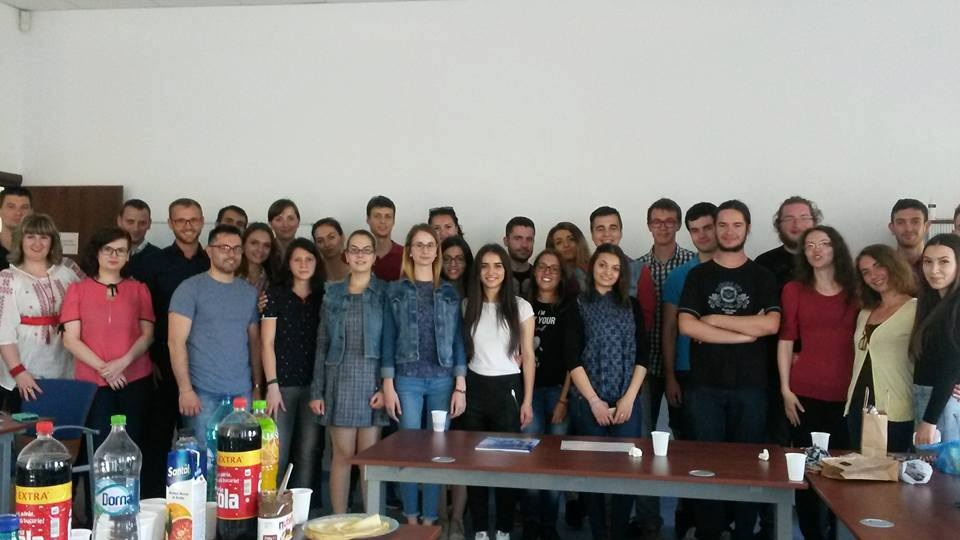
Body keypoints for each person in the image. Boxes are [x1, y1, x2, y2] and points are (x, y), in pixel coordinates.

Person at [678, 200, 781, 540]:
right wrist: (744, 335)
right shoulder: (698, 275)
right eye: (722, 225)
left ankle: (743, 533)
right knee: (706, 466)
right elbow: (687, 326)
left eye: (737, 225)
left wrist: (715, 320)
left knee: (749, 465)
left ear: (748, 228)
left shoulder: (762, 276)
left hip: (751, 388)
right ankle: (709, 532)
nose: (729, 231)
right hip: (704, 388)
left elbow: (771, 324)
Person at [381, 224, 467, 526]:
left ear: (437, 251)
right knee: (409, 449)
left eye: (430, 245)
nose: (425, 250)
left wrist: (460, 383)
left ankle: (430, 520)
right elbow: (388, 338)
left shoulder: (449, 291)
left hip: (443, 381)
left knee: (436, 452)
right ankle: (411, 519)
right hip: (407, 381)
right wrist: (388, 383)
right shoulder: (395, 290)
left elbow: (458, 340)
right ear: (409, 250)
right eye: (419, 245)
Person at [778, 226, 858, 540]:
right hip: (804, 394)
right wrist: (785, 389)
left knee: (843, 473)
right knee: (809, 471)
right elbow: (786, 340)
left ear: (836, 248)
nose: (816, 250)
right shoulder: (794, 290)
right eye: (809, 245)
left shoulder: (857, 290)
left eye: (823, 244)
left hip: (847, 396)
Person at [567, 243, 649, 540]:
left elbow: (643, 356)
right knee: (593, 475)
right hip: (590, 403)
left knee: (627, 473)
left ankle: (619, 531)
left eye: (615, 268)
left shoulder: (631, 306)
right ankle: (599, 533)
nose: (608, 272)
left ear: (622, 273)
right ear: (592, 268)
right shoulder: (578, 305)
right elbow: (572, 359)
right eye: (602, 265)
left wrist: (629, 398)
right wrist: (594, 401)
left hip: (627, 402)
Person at [457, 244, 534, 540]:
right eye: (485, 266)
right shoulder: (467, 305)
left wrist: (527, 400)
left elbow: (528, 356)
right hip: (475, 389)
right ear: (477, 271)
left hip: (508, 390)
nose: (491, 272)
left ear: (506, 270)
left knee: (506, 463)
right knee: (474, 462)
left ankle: (503, 529)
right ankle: (479, 528)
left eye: (498, 265)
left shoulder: (521, 307)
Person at [310, 229, 389, 514]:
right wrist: (317, 390)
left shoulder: (385, 293)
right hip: (339, 379)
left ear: (374, 256)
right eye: (354, 250)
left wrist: (385, 386)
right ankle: (338, 521)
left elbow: (389, 343)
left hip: (372, 379)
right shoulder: (332, 293)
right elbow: (322, 343)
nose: (360, 255)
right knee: (342, 455)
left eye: (366, 250)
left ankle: (372, 521)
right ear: (346, 255)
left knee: (369, 458)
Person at [138, 198, 210, 497]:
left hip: (204, 367)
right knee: (157, 439)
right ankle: (154, 503)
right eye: (181, 220)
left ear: (202, 221)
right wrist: (148, 359)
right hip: (161, 365)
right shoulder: (152, 263)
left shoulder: (213, 261)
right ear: (170, 224)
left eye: (193, 219)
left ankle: (194, 503)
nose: (188, 225)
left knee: (198, 441)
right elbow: (140, 314)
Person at [62, 227, 154, 448]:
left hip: (134, 378)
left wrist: (122, 363)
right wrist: (106, 370)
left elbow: (147, 335)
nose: (114, 255)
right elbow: (70, 340)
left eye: (121, 251)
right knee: (98, 444)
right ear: (97, 252)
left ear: (128, 255)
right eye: (108, 249)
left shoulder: (139, 289)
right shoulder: (77, 290)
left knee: (132, 443)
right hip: (92, 382)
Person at [168, 224, 261, 440]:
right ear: (209, 251)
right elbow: (175, 342)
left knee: (241, 456)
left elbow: (254, 343)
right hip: (202, 393)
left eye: (237, 249)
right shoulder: (189, 289)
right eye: (224, 248)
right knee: (205, 456)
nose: (231, 254)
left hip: (242, 393)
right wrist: (185, 390)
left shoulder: (248, 293)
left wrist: (257, 386)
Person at [660, 201, 717, 538]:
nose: (702, 235)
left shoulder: (745, 271)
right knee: (689, 451)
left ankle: (720, 521)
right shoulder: (679, 275)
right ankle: (690, 515)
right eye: (695, 230)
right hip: (686, 372)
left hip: (732, 377)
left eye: (707, 228)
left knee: (726, 453)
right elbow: (669, 329)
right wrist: (670, 375)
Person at [0, 213, 84, 411]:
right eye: (31, 236)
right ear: (20, 240)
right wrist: (18, 371)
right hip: (24, 369)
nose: (37, 243)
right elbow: (3, 331)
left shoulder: (68, 270)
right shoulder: (9, 278)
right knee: (26, 425)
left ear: (52, 241)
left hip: (65, 365)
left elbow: (92, 301)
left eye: (44, 237)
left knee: (63, 423)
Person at [261, 238, 325, 488]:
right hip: (282, 385)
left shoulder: (325, 295)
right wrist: (272, 385)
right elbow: (267, 343)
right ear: (288, 263)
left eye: (309, 259)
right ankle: (273, 507)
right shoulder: (275, 295)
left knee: (308, 452)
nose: (303, 264)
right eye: (297, 259)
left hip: (314, 386)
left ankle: (301, 508)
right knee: (277, 452)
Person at [520, 249, 574, 540]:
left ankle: (549, 524)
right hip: (528, 393)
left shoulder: (569, 308)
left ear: (561, 275)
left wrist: (564, 399)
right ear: (534, 271)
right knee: (529, 457)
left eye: (554, 268)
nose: (547, 272)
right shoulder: (521, 304)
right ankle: (530, 522)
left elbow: (573, 359)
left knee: (554, 460)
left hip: (556, 392)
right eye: (542, 266)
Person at [845, 245, 916, 453]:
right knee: (859, 467)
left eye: (878, 266)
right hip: (858, 402)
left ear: (893, 265)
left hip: (896, 405)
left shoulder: (916, 309)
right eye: (866, 272)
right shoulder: (865, 312)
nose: (874, 276)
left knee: (892, 468)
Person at [911, 234, 960, 445]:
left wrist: (929, 421)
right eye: (928, 262)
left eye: (944, 262)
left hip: (942, 403)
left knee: (943, 465)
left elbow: (952, 364)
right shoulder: (931, 302)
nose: (934, 270)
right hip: (928, 397)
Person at [588, 206, 642, 296]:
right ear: (592, 235)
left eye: (613, 228)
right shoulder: (579, 273)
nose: (607, 234)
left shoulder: (639, 271)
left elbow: (647, 305)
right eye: (600, 229)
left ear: (620, 233)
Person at [117, 199, 160, 281]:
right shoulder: (105, 255)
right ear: (119, 221)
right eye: (130, 222)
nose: (136, 228)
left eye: (142, 223)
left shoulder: (160, 257)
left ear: (149, 224)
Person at [888, 198, 929, 284]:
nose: (908, 229)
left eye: (915, 222)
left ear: (926, 227)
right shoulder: (885, 267)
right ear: (892, 228)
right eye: (900, 222)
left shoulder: (939, 265)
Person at [545, 222, 590, 292]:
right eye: (559, 242)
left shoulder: (595, 269)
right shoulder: (547, 275)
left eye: (571, 239)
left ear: (579, 241)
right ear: (552, 248)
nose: (566, 245)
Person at [236, 222, 278, 296]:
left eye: (266, 245)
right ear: (243, 246)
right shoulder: (229, 275)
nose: (260, 249)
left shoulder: (274, 279)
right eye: (254, 243)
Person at [0, 187, 33, 271]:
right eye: (11, 207)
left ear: (31, 212)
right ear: (0, 210)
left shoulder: (39, 250)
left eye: (24, 207)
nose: (18, 213)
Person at [503, 217, 536, 296]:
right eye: (518, 238)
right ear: (506, 241)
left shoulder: (539, 277)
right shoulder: (494, 276)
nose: (524, 245)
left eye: (529, 239)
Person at [313, 218, 349, 282]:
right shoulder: (313, 275)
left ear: (342, 237)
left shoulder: (360, 268)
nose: (327, 244)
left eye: (331, 237)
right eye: (320, 241)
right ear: (315, 245)